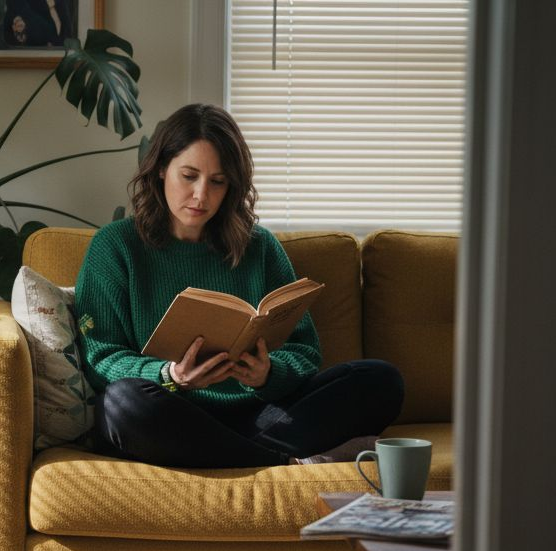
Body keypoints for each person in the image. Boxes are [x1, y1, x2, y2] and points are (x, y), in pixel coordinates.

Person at [74, 103, 405, 469]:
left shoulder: (258, 246)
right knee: (121, 405)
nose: (201, 195)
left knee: (380, 380)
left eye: (217, 181)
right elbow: (100, 357)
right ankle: (282, 462)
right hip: (171, 413)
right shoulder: (115, 246)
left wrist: (267, 374)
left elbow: (305, 350)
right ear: (161, 170)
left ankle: (237, 455)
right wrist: (171, 375)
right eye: (189, 176)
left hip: (258, 416)